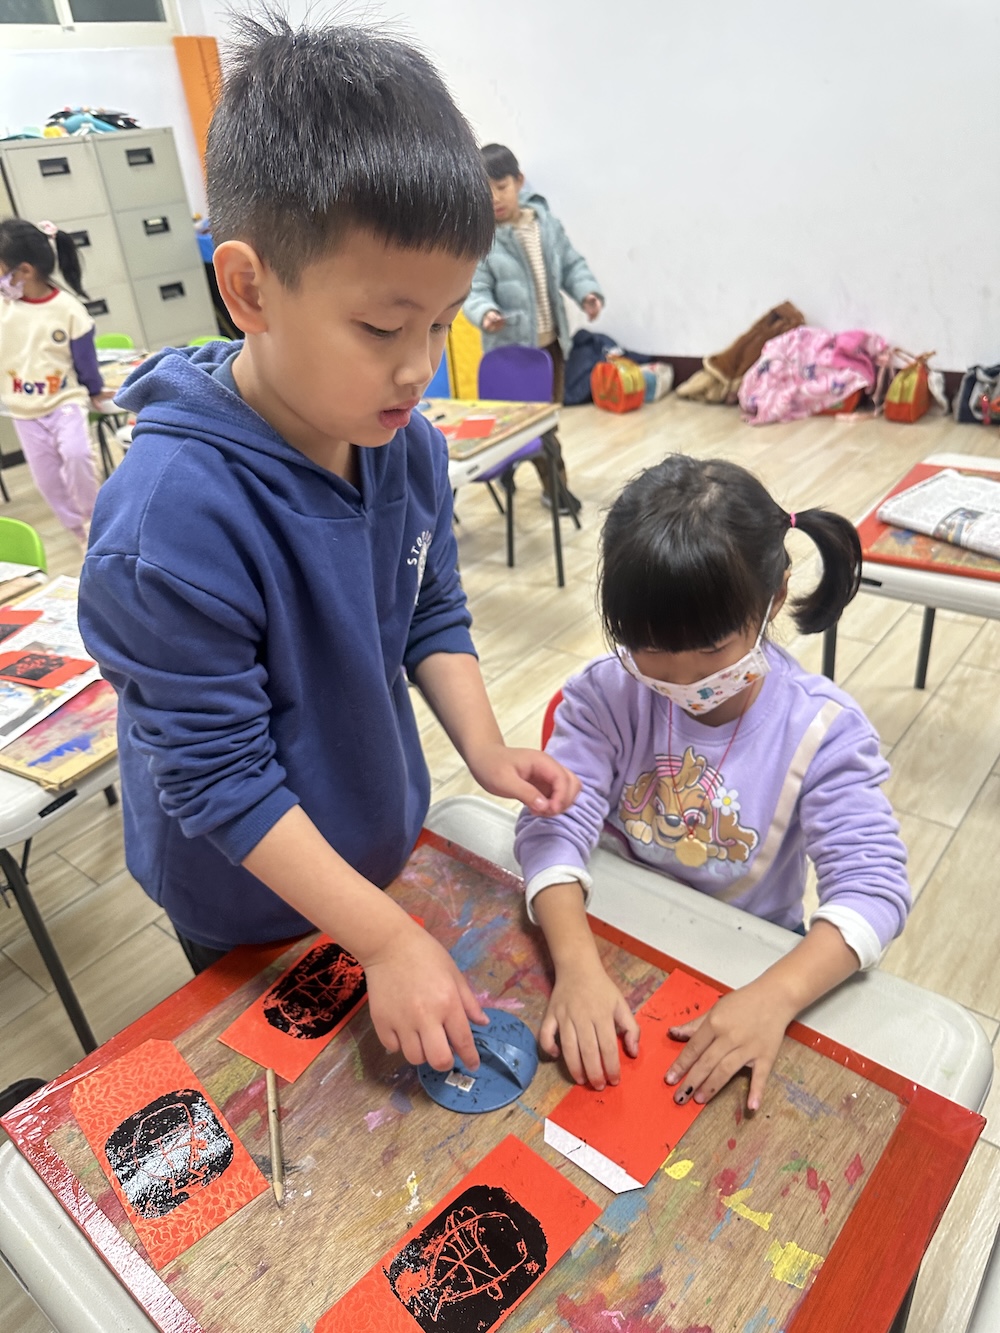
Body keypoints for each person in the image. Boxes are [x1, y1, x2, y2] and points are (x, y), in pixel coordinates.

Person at [78, 16, 579, 1078]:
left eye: (441, 323)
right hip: (244, 892)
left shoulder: (403, 443)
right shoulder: (170, 524)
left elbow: (428, 603)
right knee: (285, 1100)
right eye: (383, 327)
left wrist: (484, 748)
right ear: (250, 289)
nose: (418, 368)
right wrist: (387, 941)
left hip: (372, 846)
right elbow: (221, 780)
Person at [514, 455, 910, 1111]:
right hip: (608, 930)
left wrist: (775, 997)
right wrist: (576, 965)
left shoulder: (822, 732)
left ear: (774, 598)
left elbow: (873, 891)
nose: (681, 678)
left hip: (748, 963)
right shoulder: (607, 695)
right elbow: (552, 827)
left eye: (711, 650)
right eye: (651, 649)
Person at [463, 144, 604, 515]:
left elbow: (571, 264)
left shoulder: (545, 224)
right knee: (527, 427)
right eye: (486, 190)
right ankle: (553, 489)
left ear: (519, 181)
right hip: (510, 353)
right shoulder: (482, 238)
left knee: (546, 423)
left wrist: (587, 293)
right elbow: (474, 289)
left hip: (551, 347)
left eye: (501, 187)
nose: (495, 198)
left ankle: (542, 483)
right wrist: (486, 312)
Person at [0, 218, 107, 548]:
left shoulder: (68, 309)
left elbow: (85, 361)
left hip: (65, 402)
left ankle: (96, 524)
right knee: (46, 480)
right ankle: (79, 532)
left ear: (25, 271)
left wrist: (94, 390)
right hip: (24, 411)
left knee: (77, 455)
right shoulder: (4, 307)